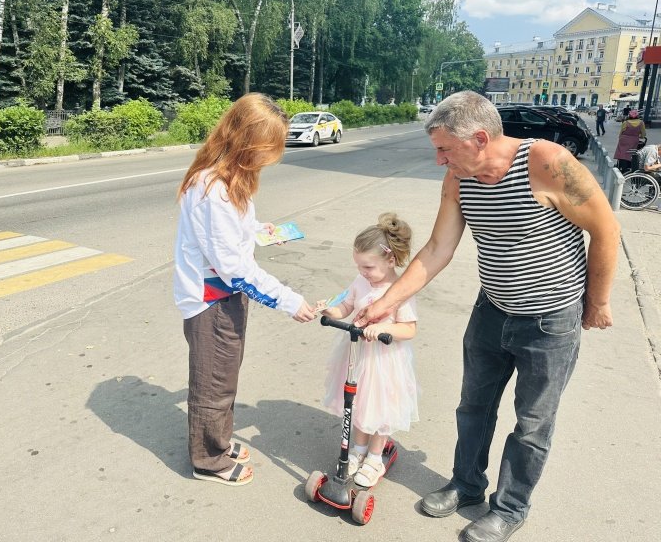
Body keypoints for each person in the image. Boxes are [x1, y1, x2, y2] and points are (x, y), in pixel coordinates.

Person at [354, 91, 620, 542]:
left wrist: (598, 301)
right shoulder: (459, 178)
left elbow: (606, 227)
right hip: (491, 310)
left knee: (532, 424)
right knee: (473, 406)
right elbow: (438, 248)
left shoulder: (546, 162)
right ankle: (466, 484)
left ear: (480, 138)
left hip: (550, 320)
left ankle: (510, 507)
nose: (439, 160)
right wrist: (385, 302)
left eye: (445, 149)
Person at [173, 93, 316, 487]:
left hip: (224, 294)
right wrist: (289, 301)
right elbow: (234, 268)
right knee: (213, 383)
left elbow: (229, 234)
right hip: (211, 299)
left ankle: (218, 441)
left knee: (224, 375)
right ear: (246, 141)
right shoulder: (212, 190)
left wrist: (258, 230)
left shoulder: (228, 179)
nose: (271, 157)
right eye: (268, 147)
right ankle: (209, 460)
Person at [319, 213, 419, 488]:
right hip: (358, 356)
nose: (363, 272)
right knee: (359, 402)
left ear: (390, 260)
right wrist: (331, 311)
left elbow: (409, 329)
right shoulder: (360, 282)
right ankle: (358, 450)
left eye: (368, 267)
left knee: (381, 407)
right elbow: (346, 306)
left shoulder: (400, 290)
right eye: (359, 266)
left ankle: (375, 457)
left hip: (385, 361)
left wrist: (383, 328)